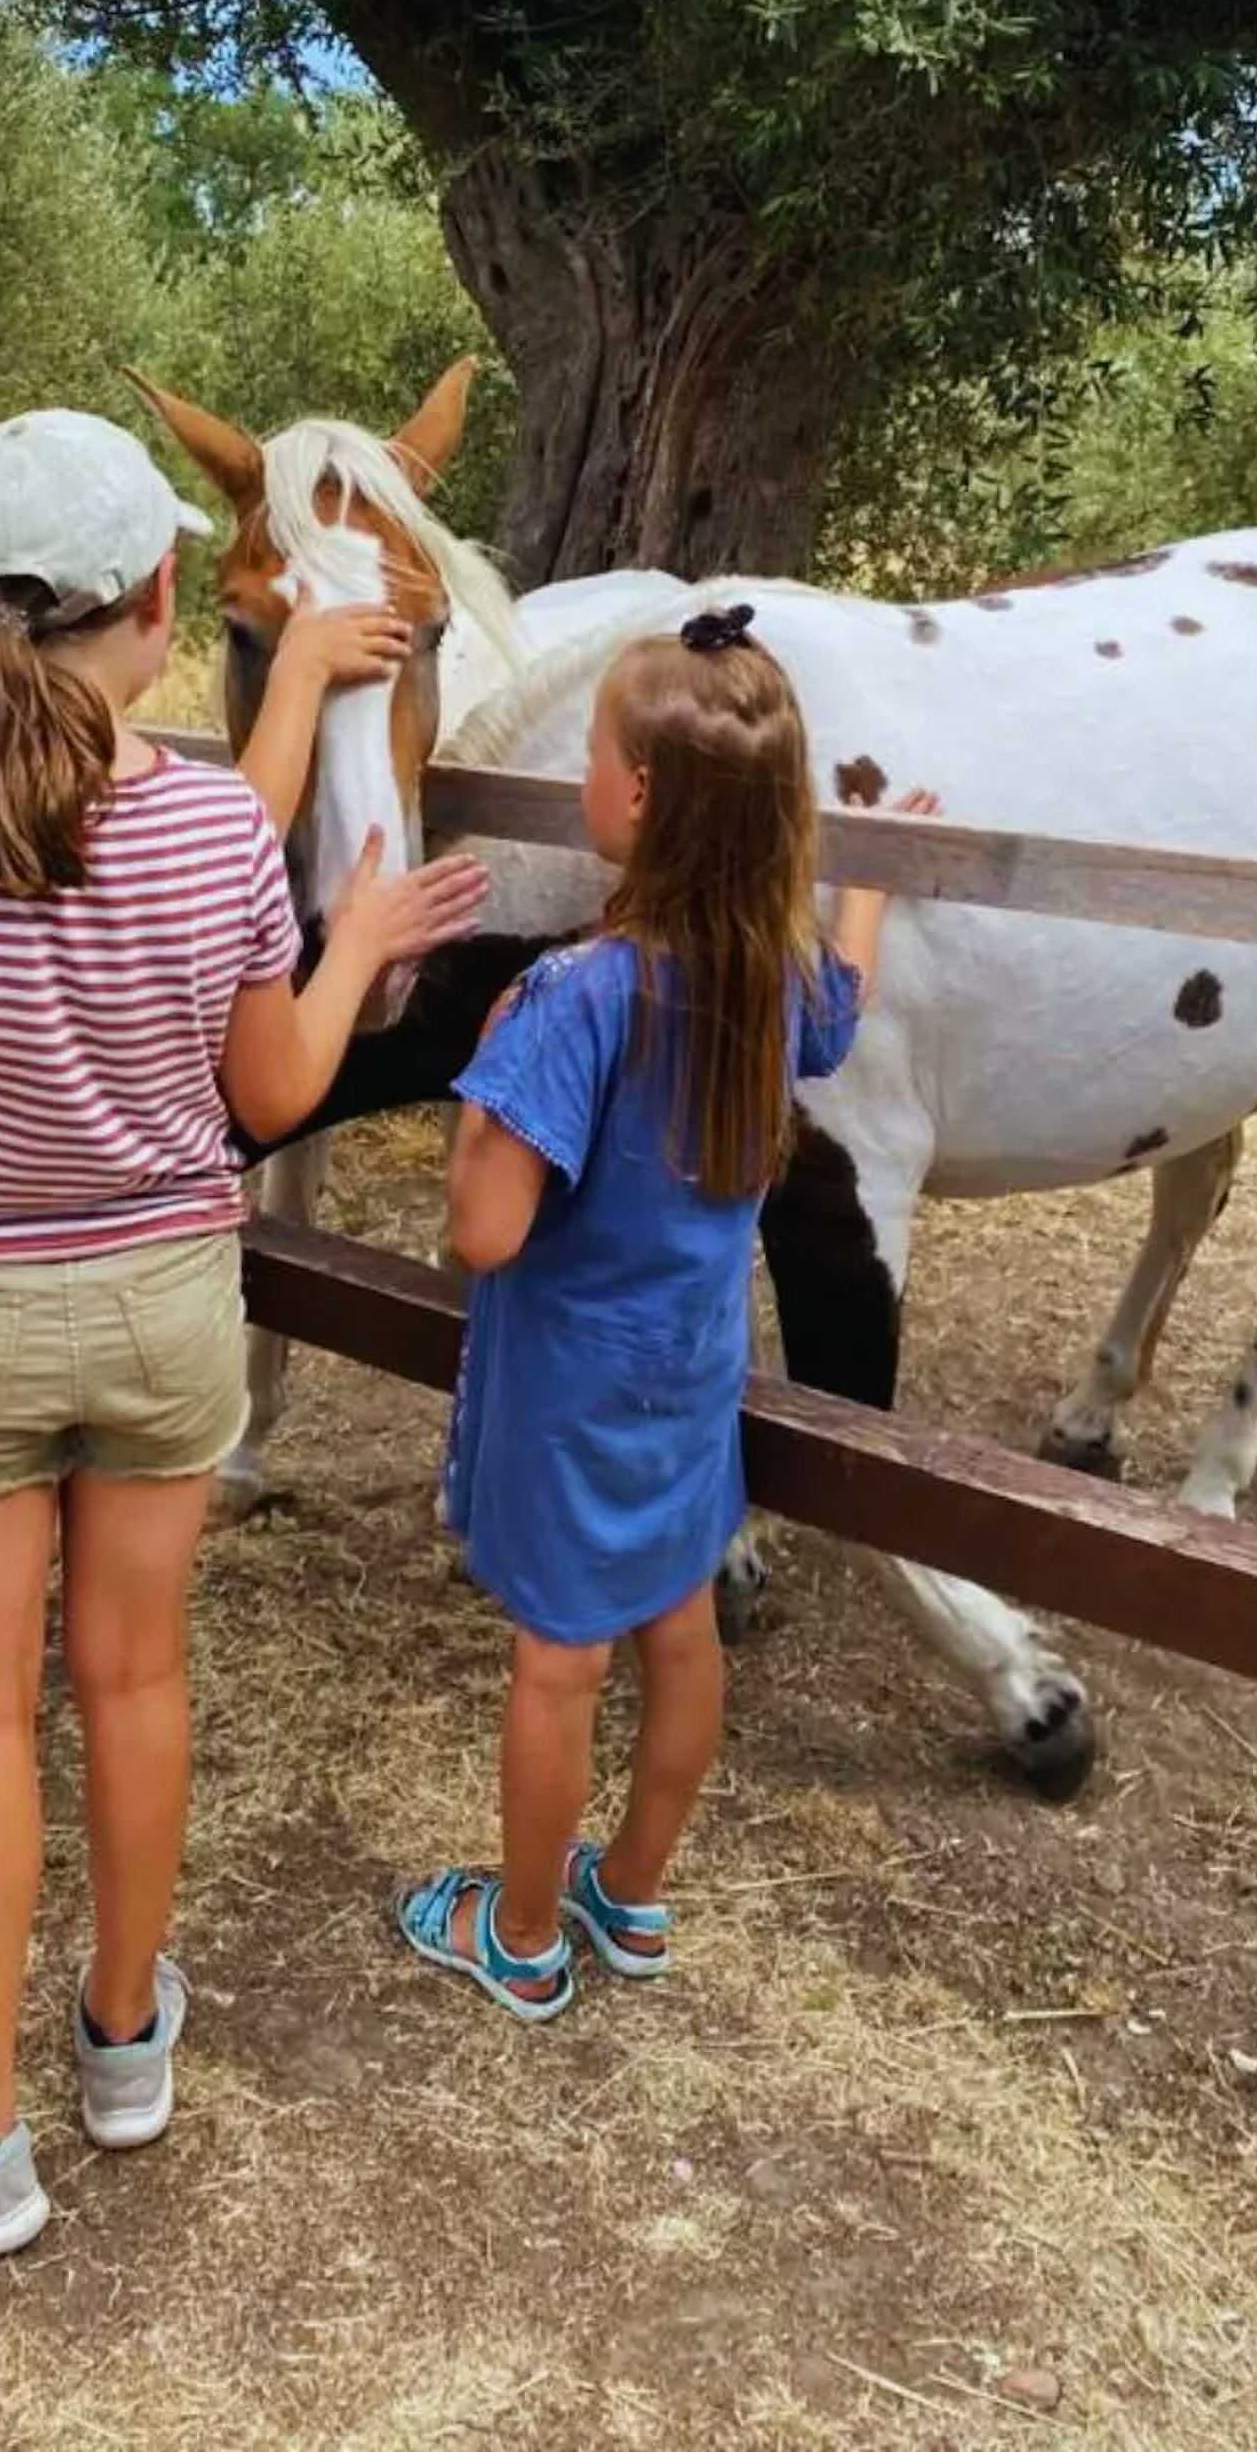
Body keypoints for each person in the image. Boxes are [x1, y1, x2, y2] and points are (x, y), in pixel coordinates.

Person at [0, 406, 486, 2256]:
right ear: (163, 592)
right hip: (168, 1312)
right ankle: (125, 2045)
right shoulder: (213, 823)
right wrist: (355, 946)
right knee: (136, 1678)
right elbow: (272, 1091)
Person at [397, 606, 936, 2017]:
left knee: (559, 1660)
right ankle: (629, 1894)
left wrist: (485, 1086)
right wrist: (864, 882)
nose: (583, 776)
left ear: (636, 795)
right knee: (680, 1631)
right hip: (692, 1374)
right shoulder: (767, 976)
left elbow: (485, 1227)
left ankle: (518, 1935)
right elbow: (846, 1003)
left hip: (570, 1387)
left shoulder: (569, 998)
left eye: (591, 755)